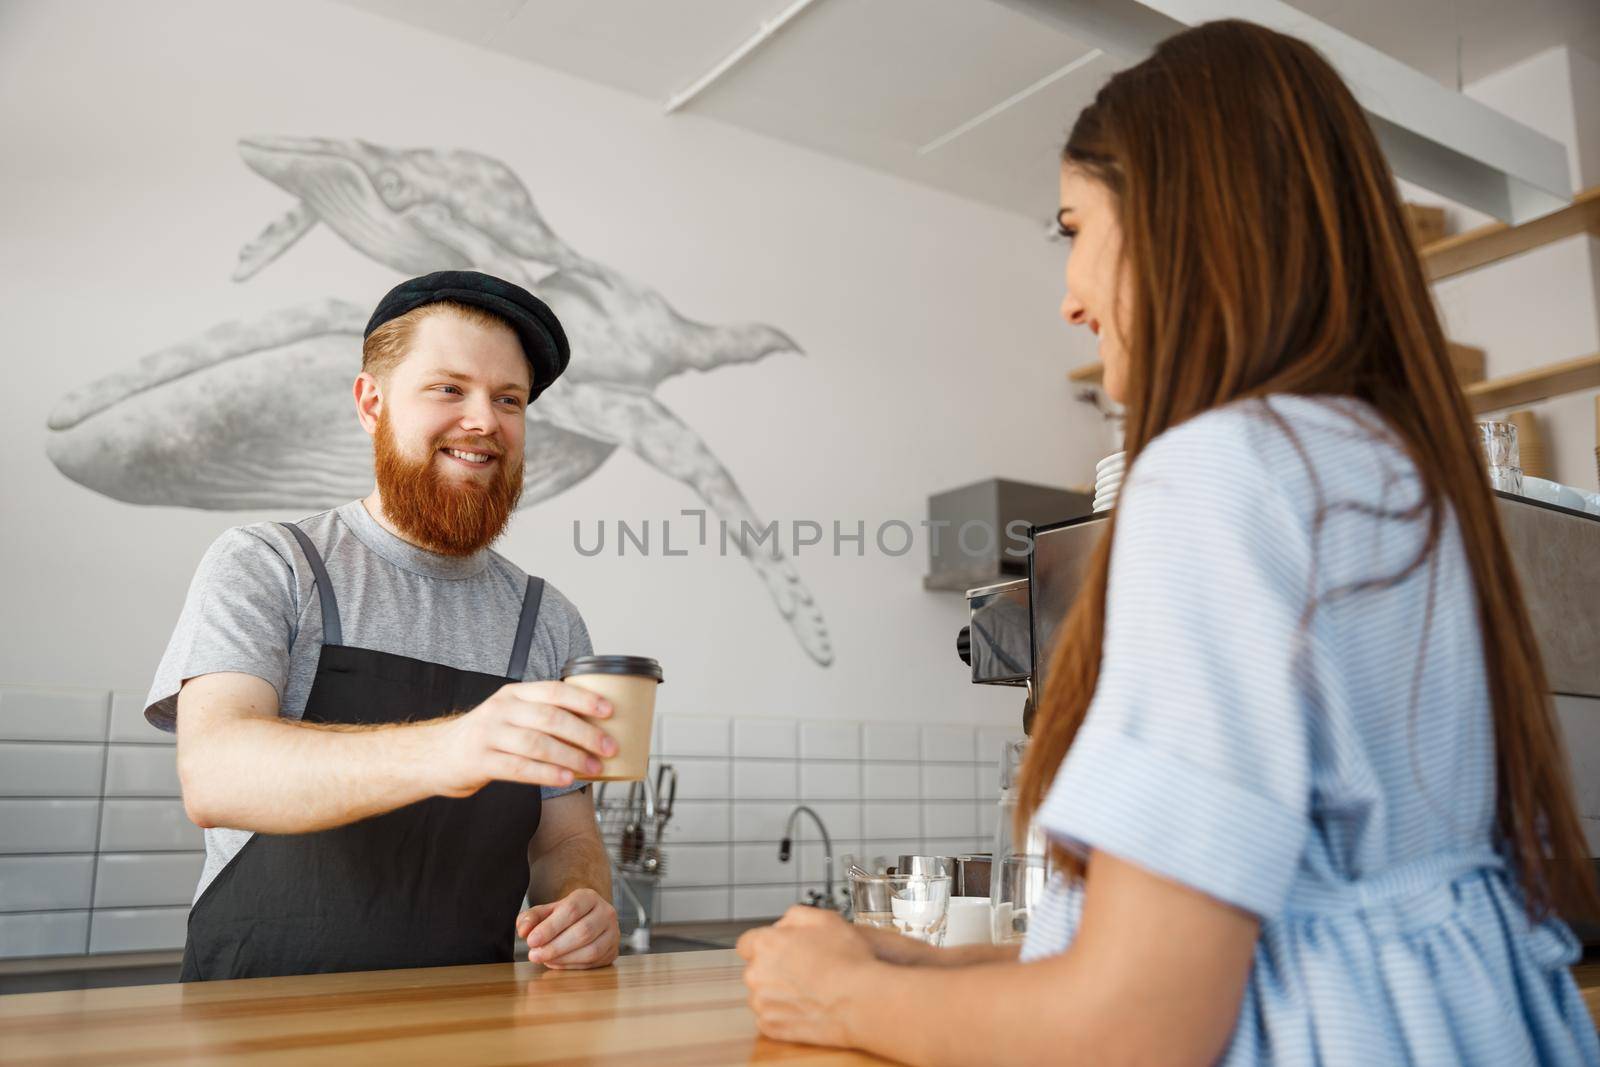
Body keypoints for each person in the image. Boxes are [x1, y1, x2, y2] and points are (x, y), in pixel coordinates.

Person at [737, 21, 1600, 1065]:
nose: (1069, 296)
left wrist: (835, 1001)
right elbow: (1283, 937)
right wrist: (917, 967)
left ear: (1179, 221)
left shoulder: (1219, 474)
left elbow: (1135, 1023)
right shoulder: (1400, 477)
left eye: (1074, 228)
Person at [147, 270, 622, 980]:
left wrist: (582, 899)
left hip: (473, 1027)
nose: (485, 421)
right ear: (372, 403)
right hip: (253, 1022)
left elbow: (564, 833)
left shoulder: (547, 620)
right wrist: (452, 748)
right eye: (448, 388)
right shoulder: (272, 565)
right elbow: (216, 774)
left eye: (508, 399)